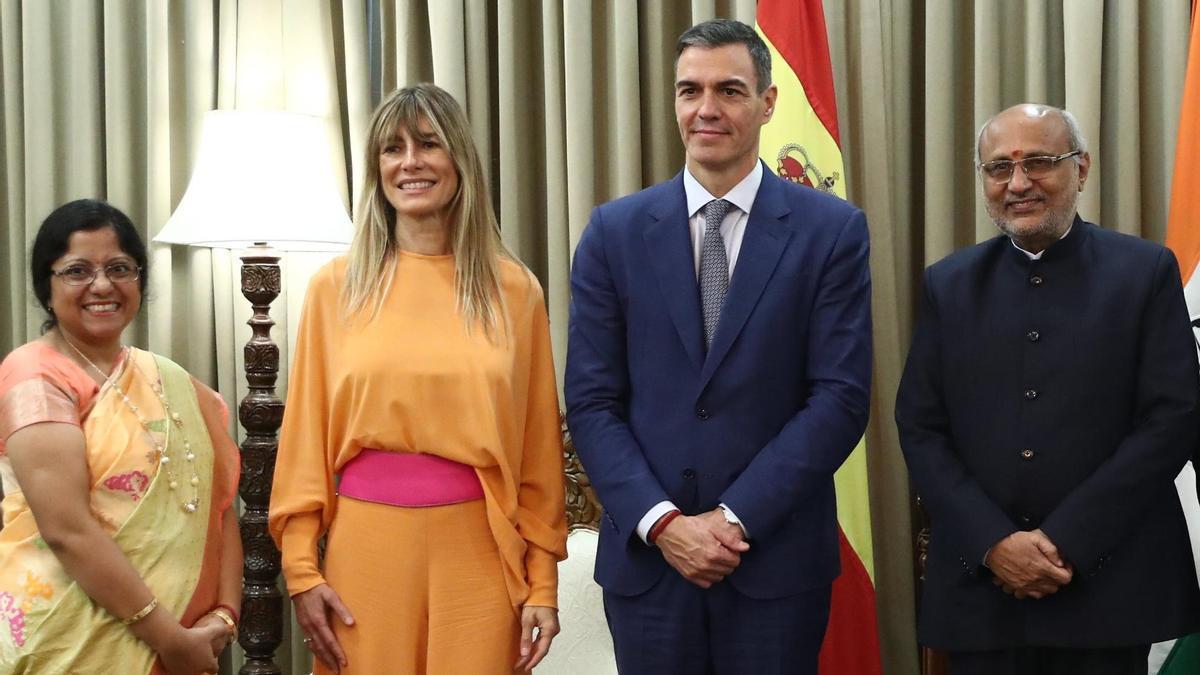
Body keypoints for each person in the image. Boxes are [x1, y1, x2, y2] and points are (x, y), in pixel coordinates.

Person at [564, 18, 872, 674]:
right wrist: (666, 523)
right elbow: (592, 402)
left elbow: (840, 398)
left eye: (729, 90)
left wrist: (734, 519)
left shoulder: (831, 231)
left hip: (775, 568)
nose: (707, 109)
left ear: (767, 102)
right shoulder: (612, 233)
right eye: (690, 91)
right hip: (650, 568)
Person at [268, 83, 567, 675]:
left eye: (428, 144)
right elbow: (303, 442)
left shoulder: (515, 290)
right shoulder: (336, 287)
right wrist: (302, 570)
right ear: (376, 169)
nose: (410, 162)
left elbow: (537, 452)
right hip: (366, 550)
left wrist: (542, 584)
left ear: (459, 158)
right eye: (391, 149)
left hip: (479, 551)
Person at [895, 103, 1200, 675]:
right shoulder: (949, 284)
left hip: (1110, 590)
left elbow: (1172, 418)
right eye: (998, 168)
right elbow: (921, 426)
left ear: (1081, 168)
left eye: (1039, 162)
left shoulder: (1144, 272)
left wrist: (1066, 541)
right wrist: (994, 544)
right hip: (982, 592)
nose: (1018, 183)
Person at [0, 199, 243, 673]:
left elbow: (218, 507)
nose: (102, 285)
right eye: (77, 271)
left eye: (119, 268)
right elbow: (66, 531)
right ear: (45, 288)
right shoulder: (35, 376)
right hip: (70, 641)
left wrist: (224, 616)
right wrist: (169, 639)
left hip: (184, 639)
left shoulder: (169, 380)